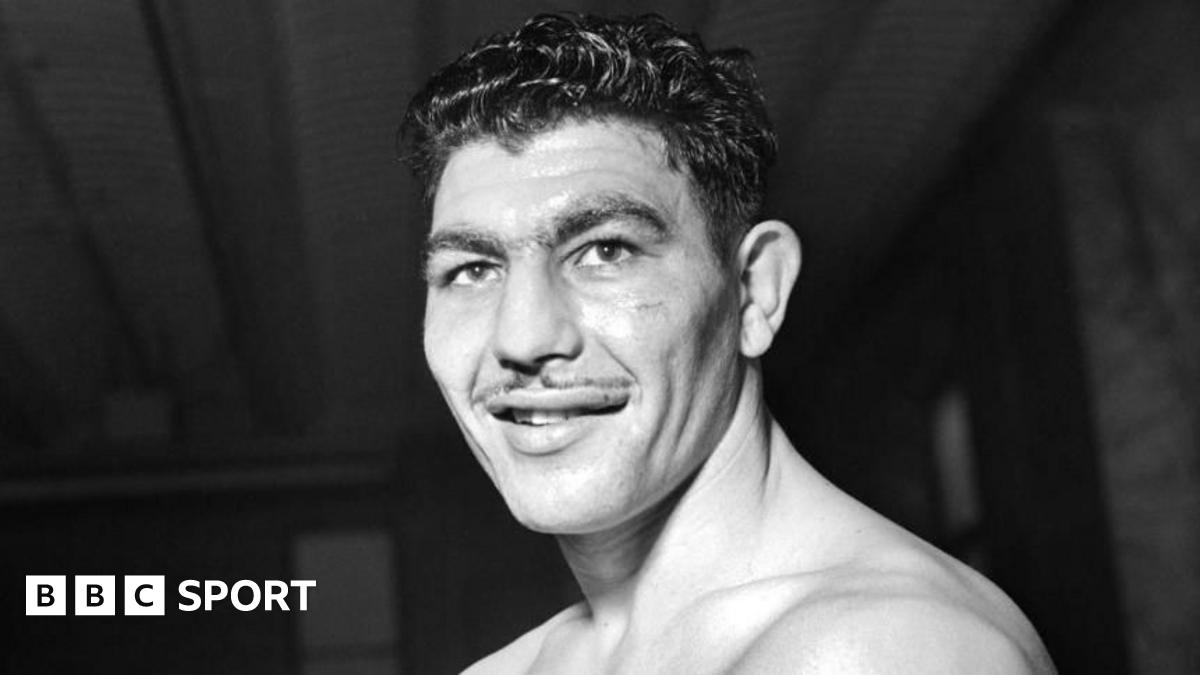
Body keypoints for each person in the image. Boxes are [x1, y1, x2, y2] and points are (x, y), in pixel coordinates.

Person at [403, 12, 1054, 674]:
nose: (522, 337)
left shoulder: (883, 649)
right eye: (472, 270)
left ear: (755, 290)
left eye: (606, 250)